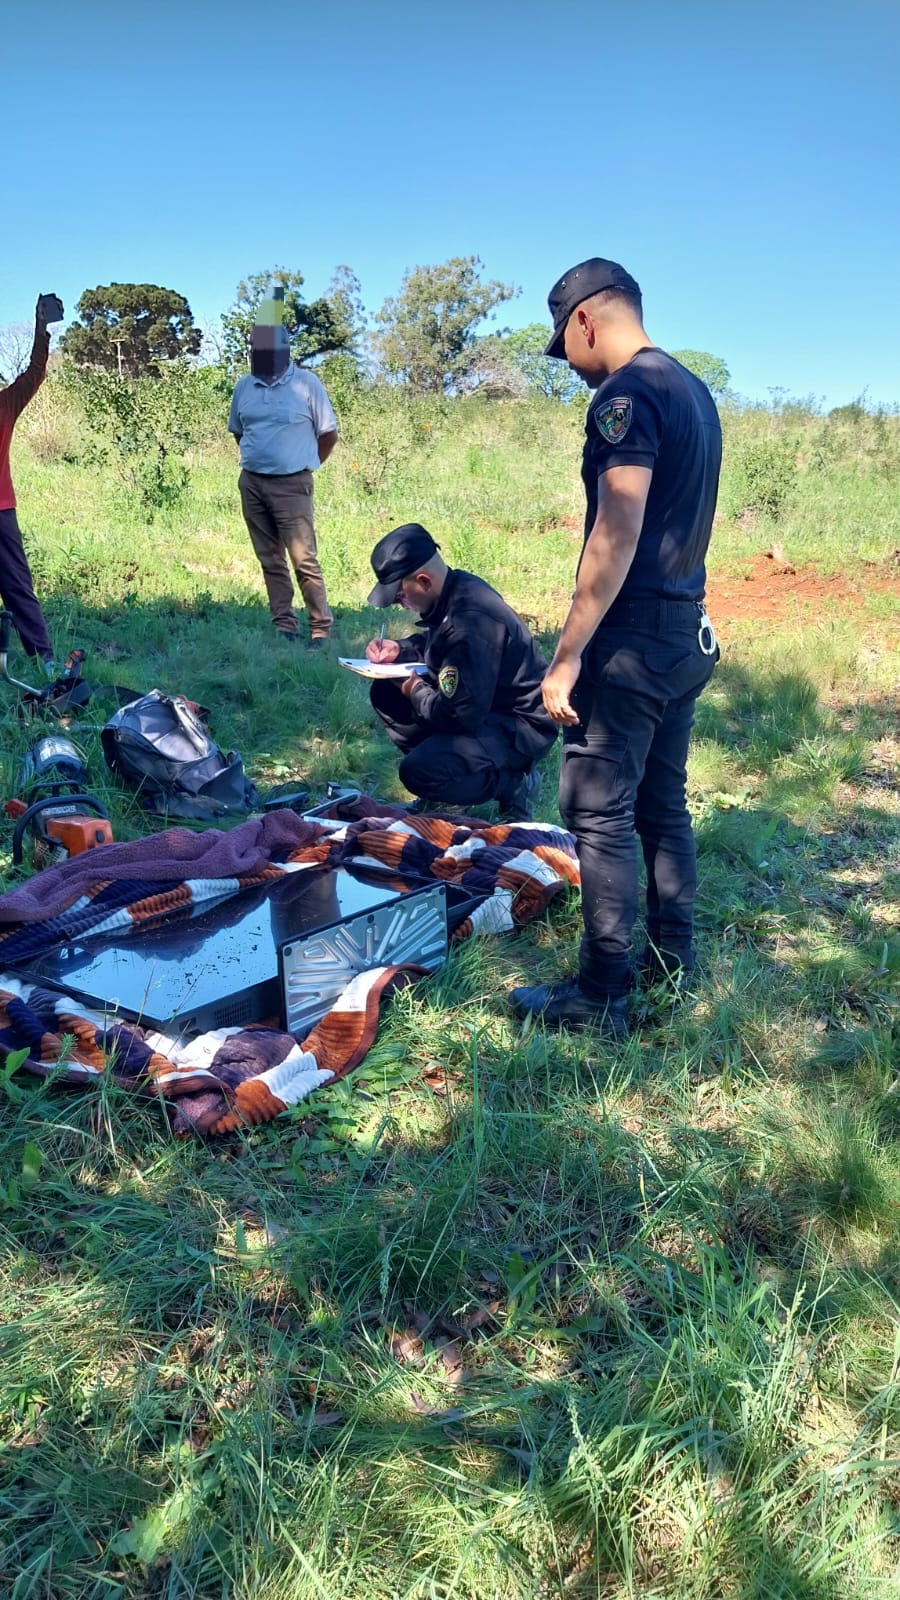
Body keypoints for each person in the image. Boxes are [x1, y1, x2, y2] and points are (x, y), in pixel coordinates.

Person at [509, 257, 722, 1036]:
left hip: (631, 643)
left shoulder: (625, 396)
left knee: (596, 810)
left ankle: (601, 992)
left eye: (564, 345)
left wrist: (566, 654)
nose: (568, 365)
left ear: (586, 320)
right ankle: (673, 966)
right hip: (684, 631)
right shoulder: (693, 391)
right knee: (663, 807)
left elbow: (619, 526)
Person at [364, 523, 556, 819]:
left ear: (424, 581)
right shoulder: (456, 589)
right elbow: (439, 643)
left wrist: (415, 690)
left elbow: (459, 715)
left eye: (400, 596)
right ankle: (445, 783)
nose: (400, 605)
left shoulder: (471, 621)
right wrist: (399, 650)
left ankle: (511, 782)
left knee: (418, 771)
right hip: (487, 706)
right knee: (386, 692)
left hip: (520, 725)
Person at [228, 300, 339, 647]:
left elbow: (328, 434)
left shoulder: (307, 385)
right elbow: (238, 430)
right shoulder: (245, 386)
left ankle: (320, 628)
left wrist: (306, 465)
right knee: (270, 559)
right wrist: (260, 460)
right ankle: (284, 626)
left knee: (304, 559)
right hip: (253, 483)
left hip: (293, 485)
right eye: (252, 348)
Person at [0, 295, 59, 674]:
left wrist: (42, 331)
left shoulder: (5, 404)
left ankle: (46, 662)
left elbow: (35, 373)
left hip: (1, 511)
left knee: (18, 587)